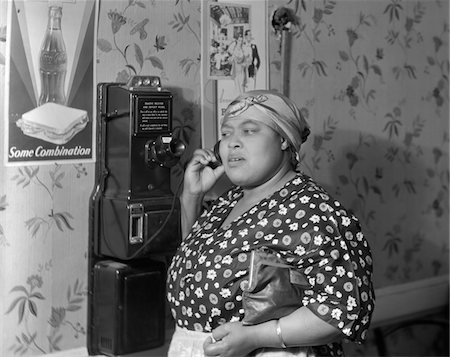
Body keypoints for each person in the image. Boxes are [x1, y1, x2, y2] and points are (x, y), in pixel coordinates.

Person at [166, 90, 375, 357]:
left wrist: (255, 337)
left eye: (249, 131)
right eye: (227, 133)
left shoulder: (314, 211)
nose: (233, 143)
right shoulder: (228, 202)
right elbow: (198, 272)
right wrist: (191, 197)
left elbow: (344, 308)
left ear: (284, 140)